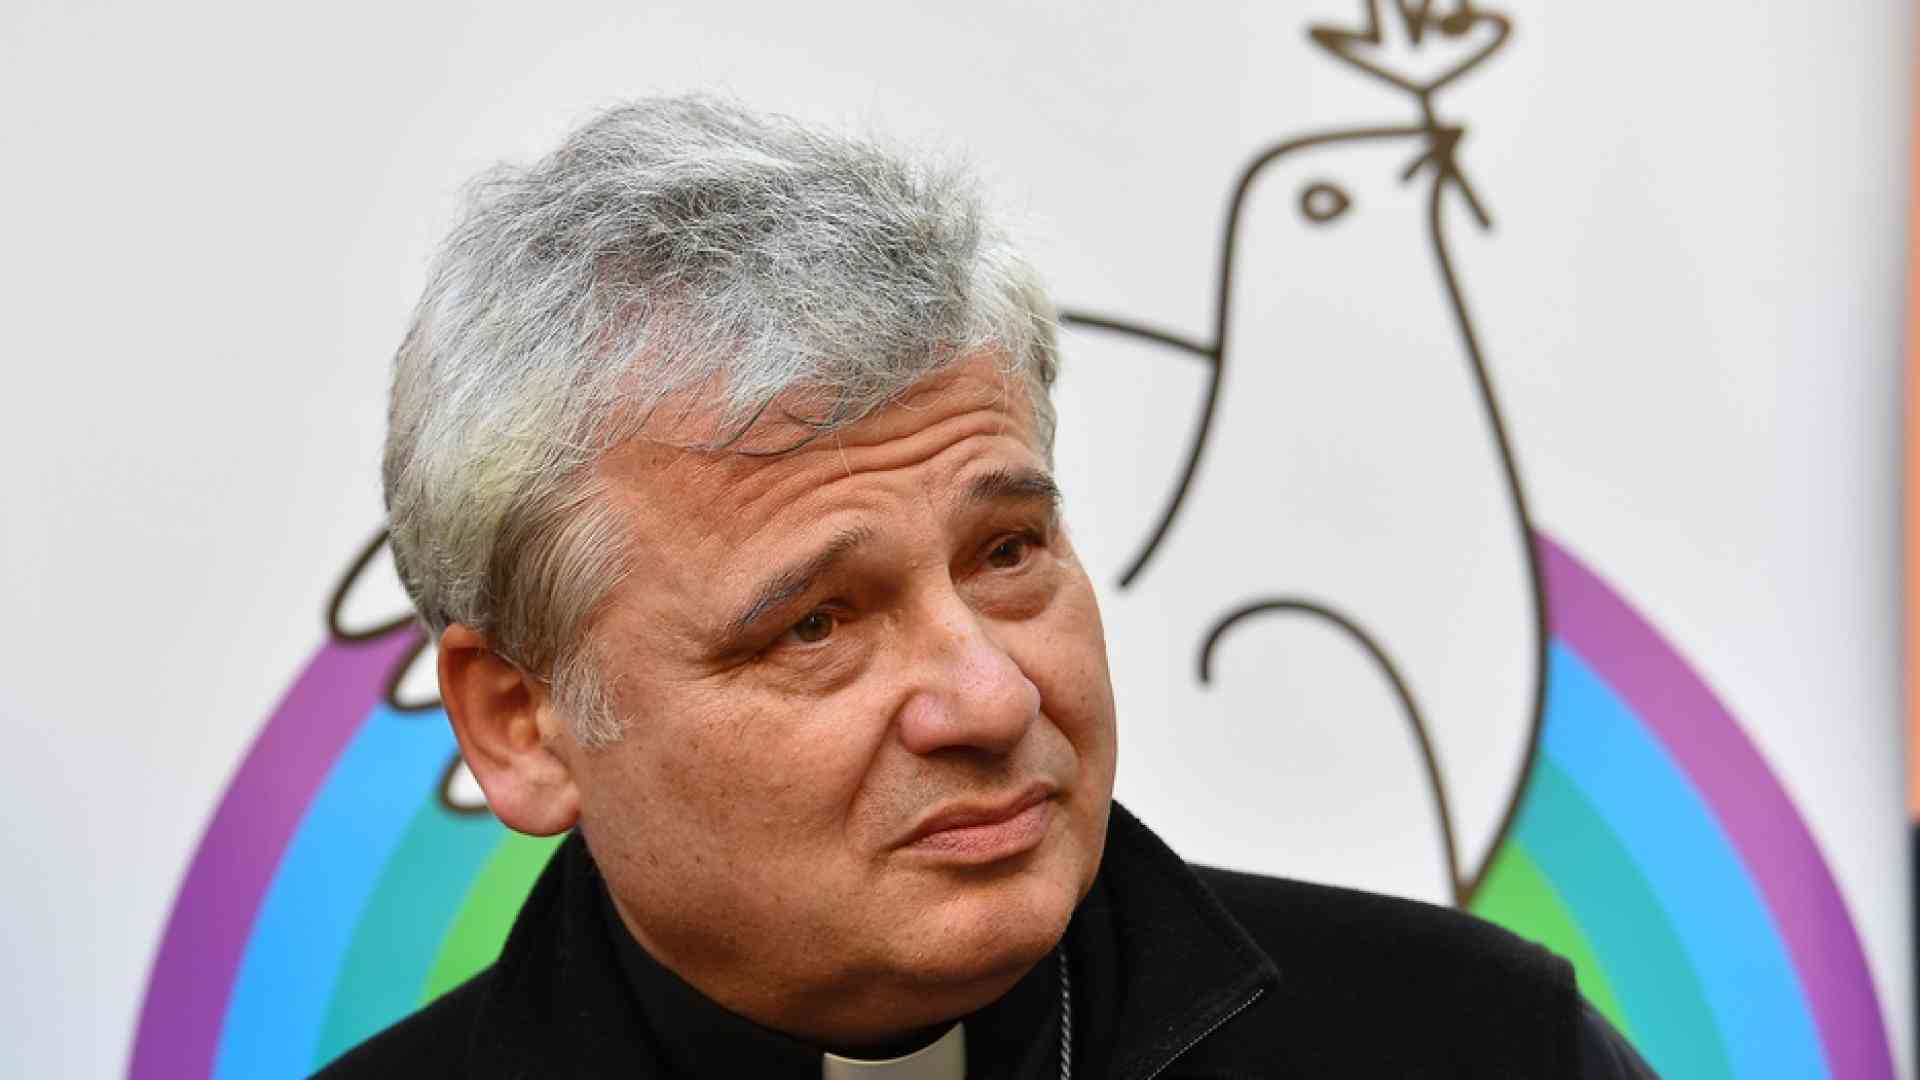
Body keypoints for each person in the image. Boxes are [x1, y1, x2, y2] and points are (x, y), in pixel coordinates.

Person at [322, 96, 1655, 1078]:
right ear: (521, 721)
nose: (991, 696)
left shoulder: (1483, 1047)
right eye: (816, 623)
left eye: (1007, 554)